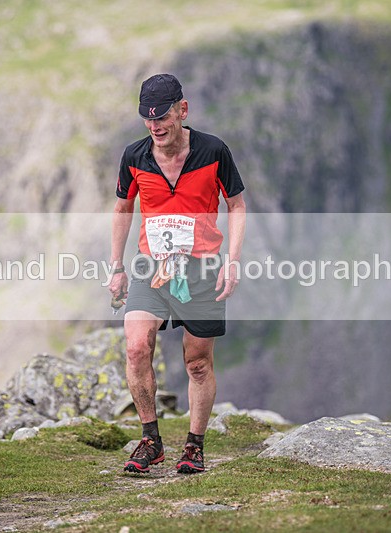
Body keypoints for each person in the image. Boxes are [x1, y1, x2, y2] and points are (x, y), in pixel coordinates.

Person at [108, 73, 246, 474]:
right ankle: (151, 440)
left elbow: (236, 206)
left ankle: (194, 445)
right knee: (136, 347)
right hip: (151, 268)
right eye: (148, 120)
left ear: (182, 110)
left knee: (198, 363)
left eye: (163, 117)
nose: (156, 127)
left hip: (202, 268)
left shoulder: (214, 151)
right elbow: (122, 209)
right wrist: (116, 267)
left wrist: (233, 262)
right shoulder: (135, 156)